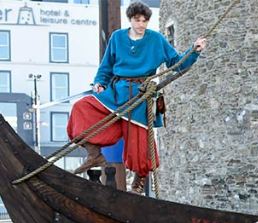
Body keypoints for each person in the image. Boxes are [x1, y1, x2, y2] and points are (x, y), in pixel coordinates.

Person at [67, 1, 207, 192]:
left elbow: (177, 63)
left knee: (139, 141)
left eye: (144, 20)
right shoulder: (117, 38)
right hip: (117, 93)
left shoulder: (156, 39)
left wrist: (194, 51)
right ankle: (94, 154)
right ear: (130, 20)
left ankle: (139, 179)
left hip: (141, 95)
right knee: (82, 107)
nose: (141, 24)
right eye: (137, 20)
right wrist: (100, 82)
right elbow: (106, 66)